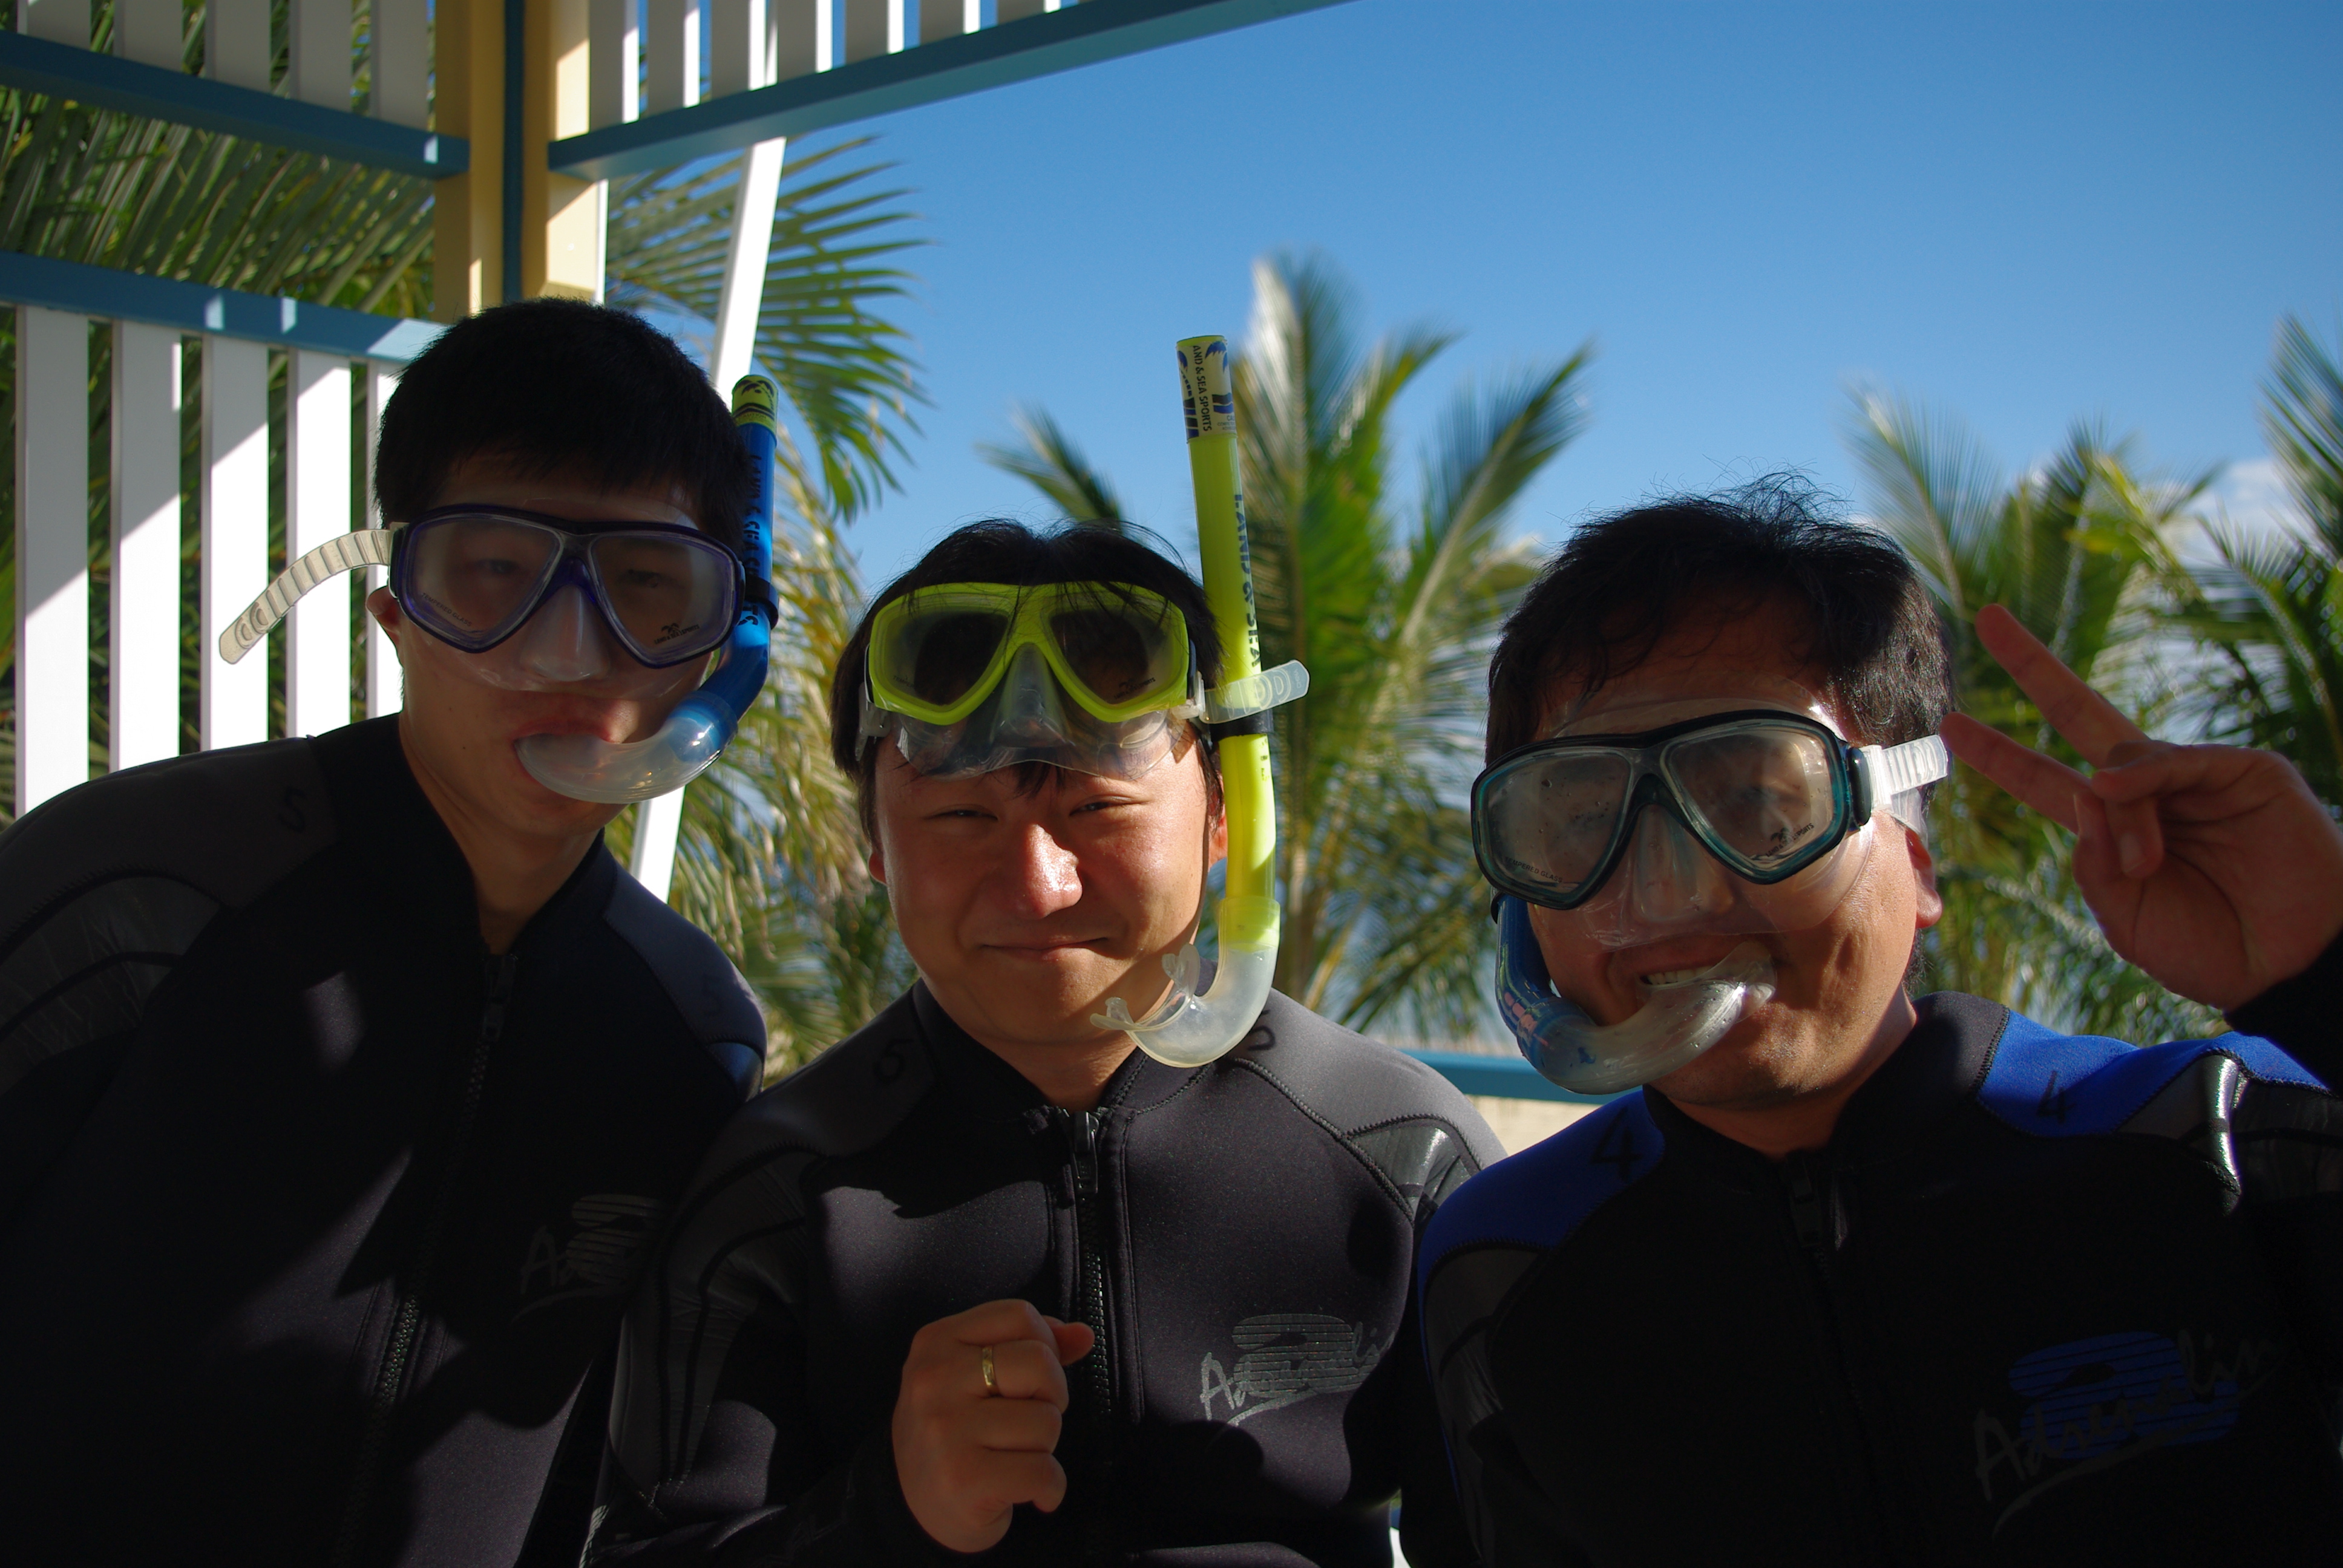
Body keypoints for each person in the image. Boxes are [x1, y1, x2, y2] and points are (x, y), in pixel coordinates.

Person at [1418, 480, 2343, 1565]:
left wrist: (2327, 976)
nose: (1669, 896)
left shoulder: (2224, 1141)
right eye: (1580, 820)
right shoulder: (1502, 1267)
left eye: (1759, 804)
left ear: (1916, 853)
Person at [0, 299, 770, 1567]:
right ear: (397, 610)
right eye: (494, 573)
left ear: (712, 658)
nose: (565, 655)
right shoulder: (132, 892)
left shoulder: (690, 1034)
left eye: (646, 588)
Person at [586, 520, 1503, 1567]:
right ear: (873, 844)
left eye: (1099, 807)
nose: (1038, 886)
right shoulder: (777, 1199)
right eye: (962, 817)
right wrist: (886, 1514)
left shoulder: (1406, 1162)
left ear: (1223, 819)